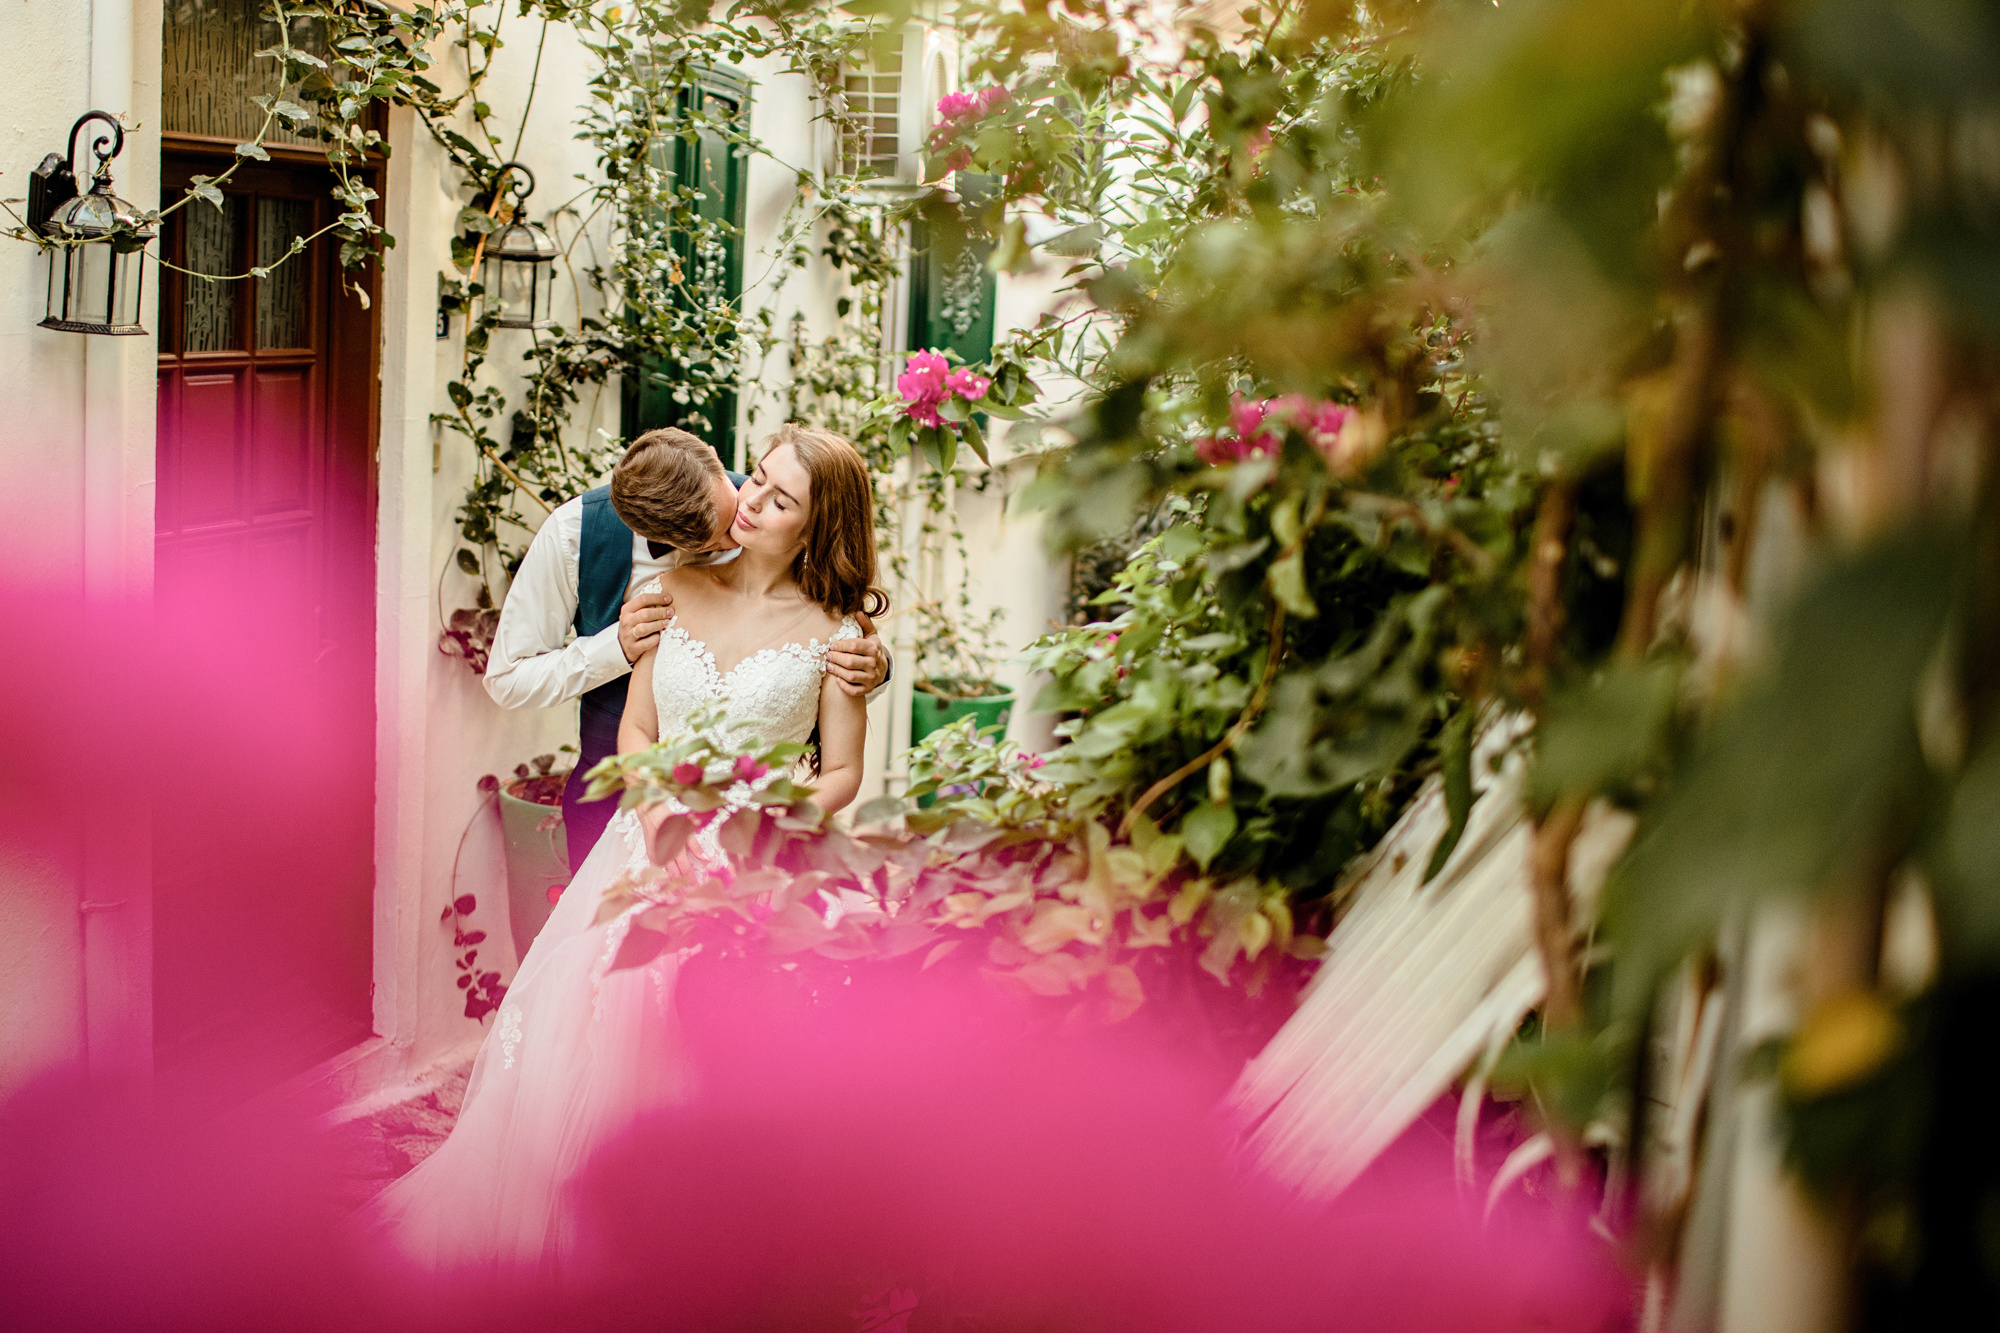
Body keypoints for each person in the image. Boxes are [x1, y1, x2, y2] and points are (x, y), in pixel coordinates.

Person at [369, 426, 889, 1275]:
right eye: (753, 479)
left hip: (753, 868)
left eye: (775, 494)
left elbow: (842, 771)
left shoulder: (837, 633)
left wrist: (753, 825)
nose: (749, 500)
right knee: (593, 1044)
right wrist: (656, 812)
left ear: (816, 523)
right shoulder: (668, 581)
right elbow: (638, 724)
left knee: (718, 1058)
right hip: (640, 846)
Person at [482, 426, 890, 873]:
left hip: (757, 835)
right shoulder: (576, 535)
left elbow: (827, 679)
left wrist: (876, 667)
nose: (738, 526)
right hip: (619, 796)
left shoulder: (757, 502)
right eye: (712, 547)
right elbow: (507, 680)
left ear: (716, 461)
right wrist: (614, 647)